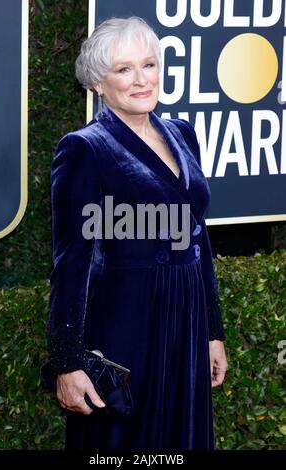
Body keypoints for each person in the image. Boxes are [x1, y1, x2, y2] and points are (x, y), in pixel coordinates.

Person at [47, 16, 228, 451]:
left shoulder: (182, 134)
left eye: (148, 65)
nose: (142, 79)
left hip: (186, 322)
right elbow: (71, 264)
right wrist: (67, 363)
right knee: (123, 445)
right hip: (126, 326)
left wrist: (211, 331)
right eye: (124, 69)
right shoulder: (85, 149)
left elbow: (196, 239)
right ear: (98, 84)